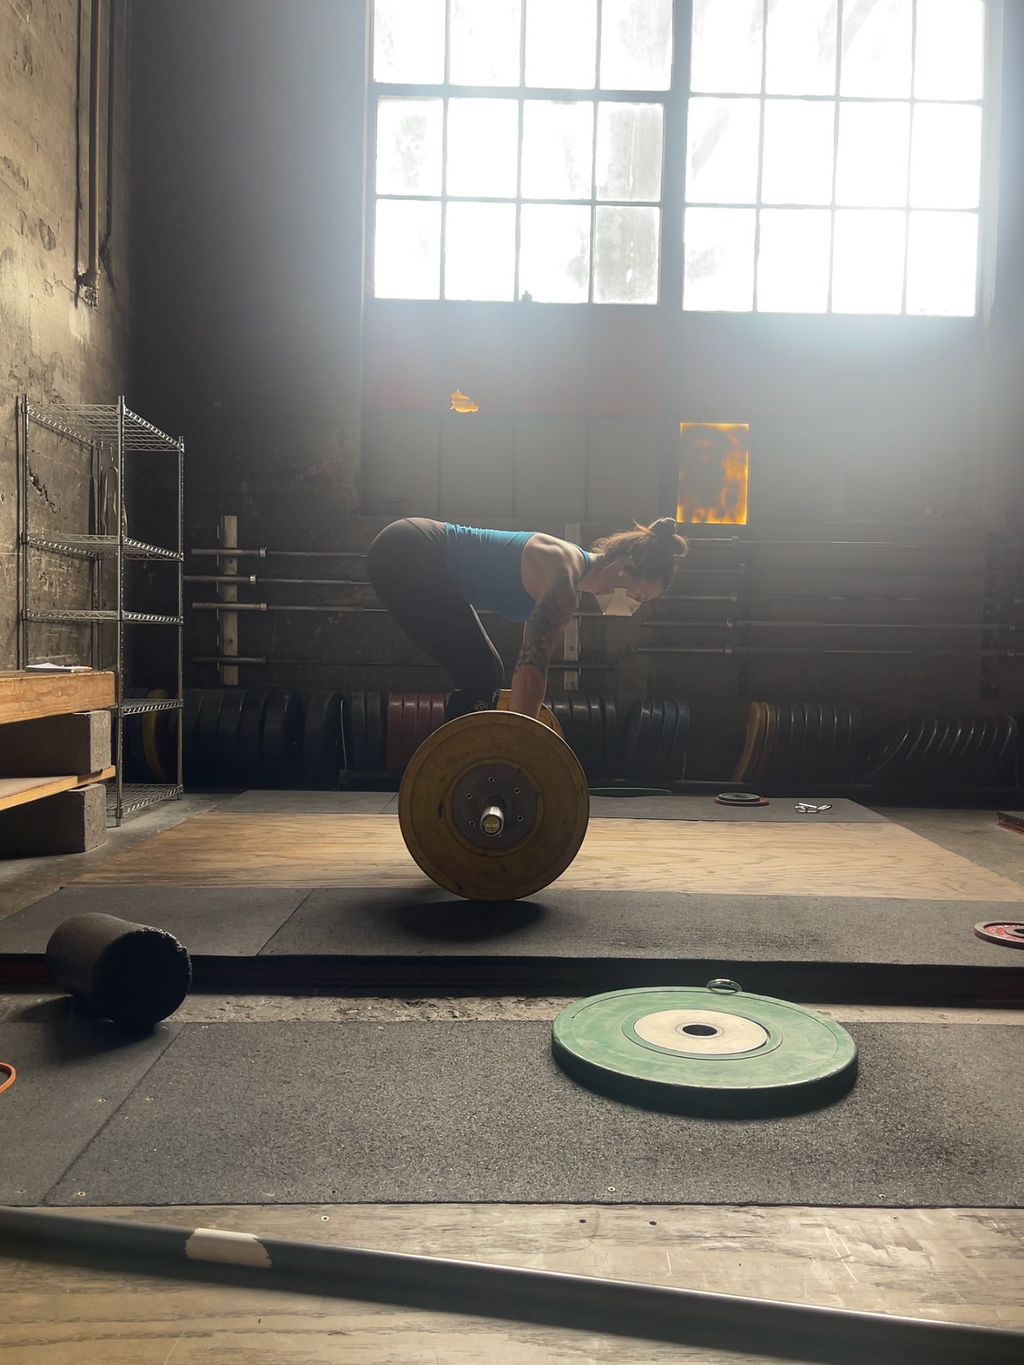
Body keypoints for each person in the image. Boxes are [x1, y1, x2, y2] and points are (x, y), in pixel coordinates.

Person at [366, 517, 688, 721]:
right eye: (639, 597)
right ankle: (453, 772)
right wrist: (519, 748)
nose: (634, 606)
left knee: (484, 671)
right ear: (626, 568)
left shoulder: (567, 573)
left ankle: (459, 765)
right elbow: (532, 672)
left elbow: (526, 669)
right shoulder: (563, 580)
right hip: (408, 552)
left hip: (412, 551)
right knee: (481, 673)